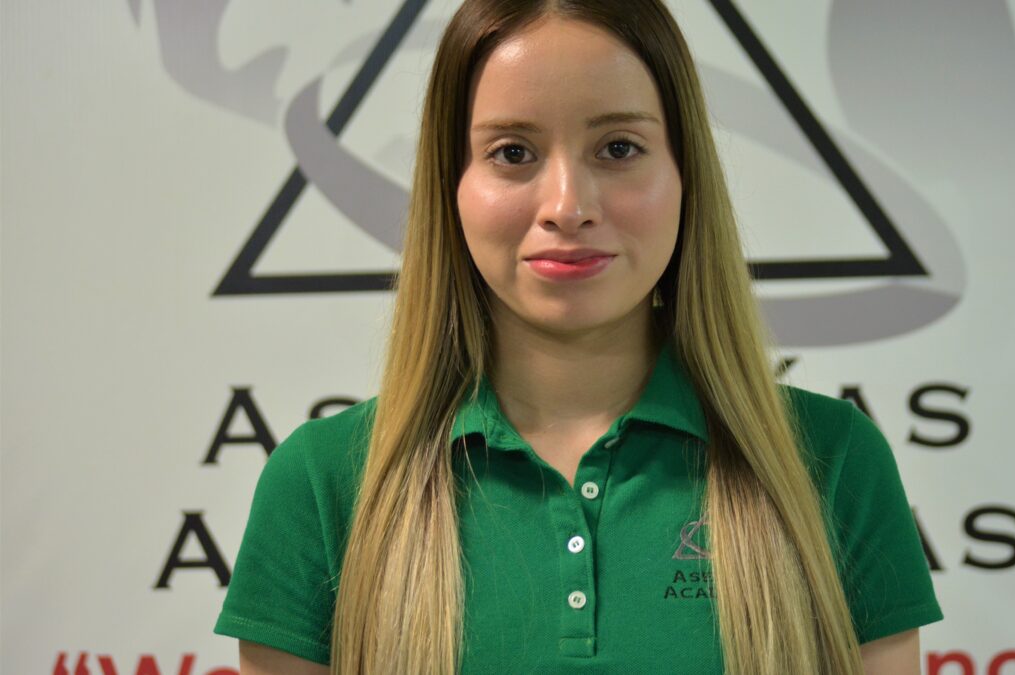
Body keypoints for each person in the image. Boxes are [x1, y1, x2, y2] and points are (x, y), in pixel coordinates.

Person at [214, 1, 943, 673]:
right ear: (451, 186)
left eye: (619, 147)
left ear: (685, 174)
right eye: (512, 152)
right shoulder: (322, 486)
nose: (568, 206)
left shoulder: (833, 462)